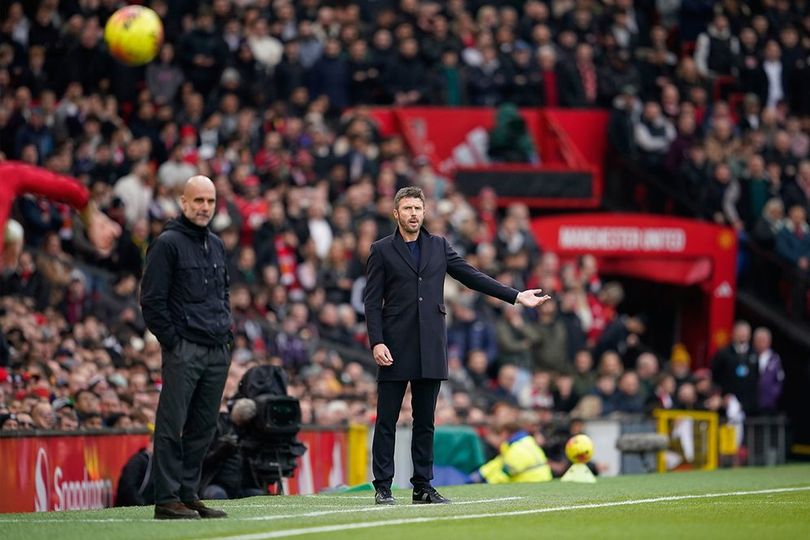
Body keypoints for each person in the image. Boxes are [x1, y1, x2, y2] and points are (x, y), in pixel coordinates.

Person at [363, 186, 551, 505]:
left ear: (424, 213)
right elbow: (371, 302)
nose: (413, 214)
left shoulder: (438, 246)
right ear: (396, 213)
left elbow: (472, 276)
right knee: (386, 420)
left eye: (417, 209)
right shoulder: (381, 250)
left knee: (426, 422)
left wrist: (516, 296)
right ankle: (383, 487)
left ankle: (422, 486)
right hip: (394, 345)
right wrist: (377, 341)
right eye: (407, 209)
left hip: (431, 345)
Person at [140, 175, 232, 520]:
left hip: (216, 347)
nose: (204, 207)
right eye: (198, 201)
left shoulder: (218, 244)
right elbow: (151, 301)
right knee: (172, 424)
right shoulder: (167, 243)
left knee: (204, 426)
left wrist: (227, 334)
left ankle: (189, 493)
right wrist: (174, 343)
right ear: (183, 202)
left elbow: (223, 292)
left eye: (209, 201)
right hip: (186, 348)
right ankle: (166, 498)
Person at [0, 159, 120, 256]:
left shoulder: (6, 176)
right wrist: (91, 220)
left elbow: (72, 191)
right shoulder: (6, 175)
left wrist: (92, 220)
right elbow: (73, 191)